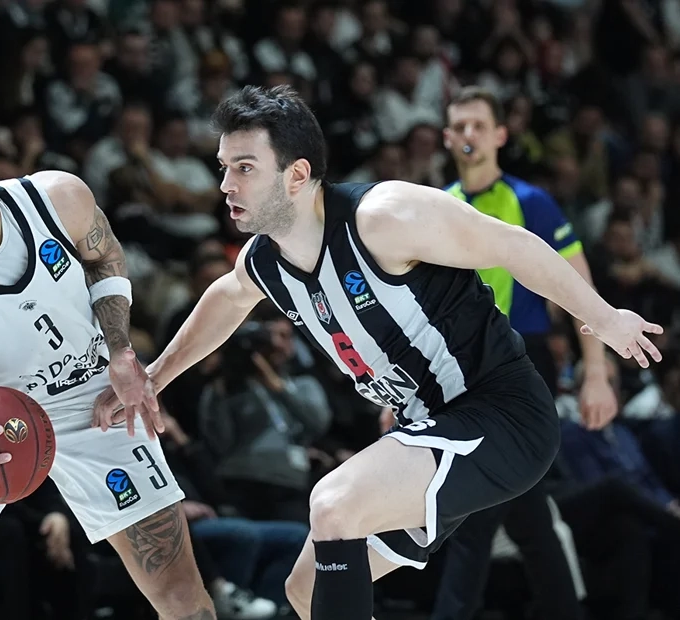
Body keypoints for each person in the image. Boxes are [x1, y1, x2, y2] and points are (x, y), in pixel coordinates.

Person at [92, 85, 664, 620]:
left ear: (296, 175)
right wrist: (155, 376)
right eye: (223, 167)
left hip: (501, 413)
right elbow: (228, 297)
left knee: (334, 504)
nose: (225, 185)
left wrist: (605, 320)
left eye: (244, 168)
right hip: (427, 425)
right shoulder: (265, 261)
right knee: (306, 589)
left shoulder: (382, 216)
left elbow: (513, 246)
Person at [0, 118, 214, 620]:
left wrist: (121, 351)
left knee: (182, 599)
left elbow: (105, 257)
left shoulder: (57, 197)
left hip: (96, 399)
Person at [431, 86, 620, 620]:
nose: (469, 134)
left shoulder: (531, 202)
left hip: (522, 364)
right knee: (526, 514)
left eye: (478, 125)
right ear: (447, 138)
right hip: (457, 369)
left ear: (500, 135)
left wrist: (596, 372)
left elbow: (581, 289)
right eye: (459, 126)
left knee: (475, 515)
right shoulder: (436, 207)